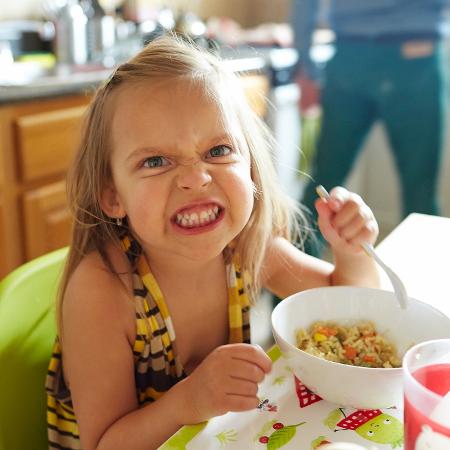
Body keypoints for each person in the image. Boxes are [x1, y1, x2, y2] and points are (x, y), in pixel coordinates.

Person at [46, 35, 380, 450]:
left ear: (252, 169)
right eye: (155, 161)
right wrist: (187, 401)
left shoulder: (245, 246)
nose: (195, 177)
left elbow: (359, 315)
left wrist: (351, 251)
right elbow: (103, 444)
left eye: (218, 150)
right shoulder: (103, 290)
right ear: (113, 196)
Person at [293, 0, 448, 255]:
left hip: (352, 57)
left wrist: (305, 68)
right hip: (412, 56)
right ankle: (421, 294)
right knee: (420, 192)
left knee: (324, 182)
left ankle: (288, 291)